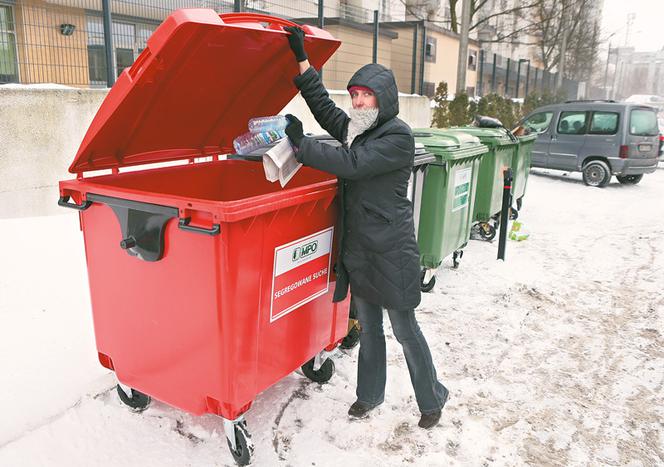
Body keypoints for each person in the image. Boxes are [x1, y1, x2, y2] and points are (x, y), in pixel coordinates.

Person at [282, 25, 448, 429]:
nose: (357, 102)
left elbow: (353, 165)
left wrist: (302, 146)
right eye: (354, 95)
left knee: (405, 330)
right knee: (370, 328)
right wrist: (302, 61)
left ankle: (432, 397)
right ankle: (369, 396)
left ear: (384, 98)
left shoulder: (397, 138)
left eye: (365, 95)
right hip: (362, 250)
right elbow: (326, 110)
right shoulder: (360, 129)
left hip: (391, 251)